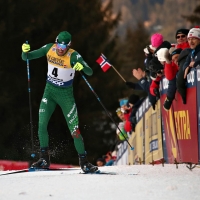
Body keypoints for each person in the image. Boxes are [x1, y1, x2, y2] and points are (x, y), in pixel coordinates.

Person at [21, 31, 98, 173]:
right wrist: (24, 51)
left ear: (69, 46)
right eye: (59, 44)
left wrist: (82, 67)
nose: (61, 48)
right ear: (56, 42)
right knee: (42, 124)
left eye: (64, 46)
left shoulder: (73, 55)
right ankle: (44, 159)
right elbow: (27, 57)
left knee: (75, 131)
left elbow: (90, 72)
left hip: (65, 95)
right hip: (49, 92)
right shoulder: (49, 48)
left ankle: (84, 162)